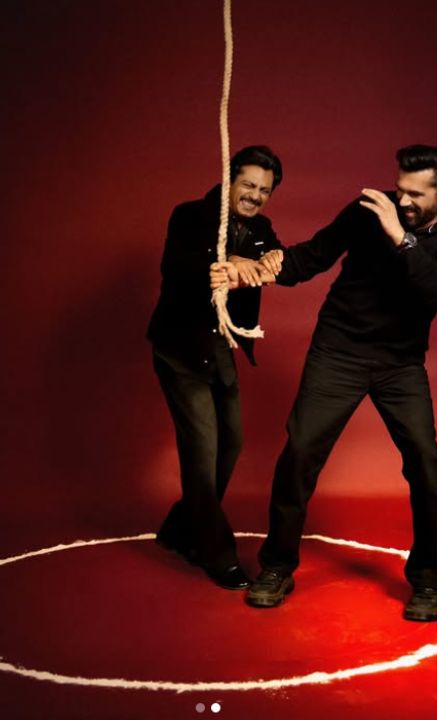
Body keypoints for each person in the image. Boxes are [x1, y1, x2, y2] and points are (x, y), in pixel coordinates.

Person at [211, 144, 437, 618]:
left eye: (416, 195)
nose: (402, 202)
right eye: (400, 190)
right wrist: (250, 272)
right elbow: (310, 259)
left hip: (401, 364)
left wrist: (400, 236)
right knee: (299, 454)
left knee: (427, 465)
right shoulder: (367, 210)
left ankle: (429, 581)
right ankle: (277, 567)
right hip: (338, 352)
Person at [147, 145, 284, 590]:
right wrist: (227, 265)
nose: (255, 195)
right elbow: (178, 266)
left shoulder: (262, 228)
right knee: (202, 452)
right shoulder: (189, 215)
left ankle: (178, 527)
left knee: (232, 442)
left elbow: (276, 258)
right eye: (248, 185)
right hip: (181, 350)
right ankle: (215, 553)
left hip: (221, 349)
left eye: (264, 190)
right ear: (230, 181)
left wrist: (271, 262)